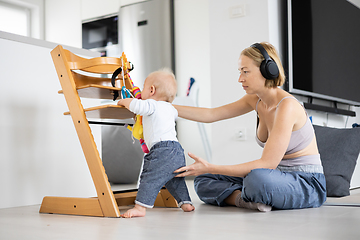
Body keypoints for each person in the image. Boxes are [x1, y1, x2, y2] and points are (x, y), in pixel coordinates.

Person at [174, 42, 326, 212]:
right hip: (275, 176)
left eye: (245, 72)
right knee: (203, 179)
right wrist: (164, 107)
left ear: (268, 70)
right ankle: (245, 201)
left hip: (306, 183)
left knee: (257, 179)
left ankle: (247, 194)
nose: (240, 79)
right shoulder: (255, 100)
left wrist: (211, 166)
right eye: (240, 72)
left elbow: (267, 163)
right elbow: (210, 115)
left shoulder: (287, 106)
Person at [117, 69, 195, 218]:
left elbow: (138, 106)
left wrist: (124, 101)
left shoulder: (152, 104)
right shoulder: (171, 109)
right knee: (176, 180)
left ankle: (140, 207)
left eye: (144, 88)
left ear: (151, 90)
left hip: (161, 150)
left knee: (149, 177)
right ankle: (186, 203)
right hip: (177, 150)